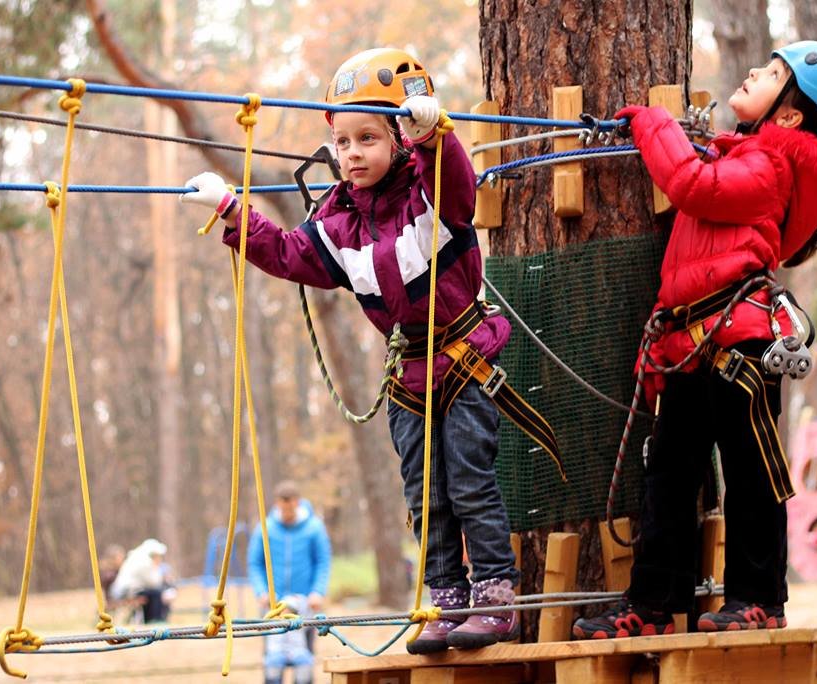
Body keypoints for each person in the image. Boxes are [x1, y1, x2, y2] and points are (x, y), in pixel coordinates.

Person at [181, 48, 549, 653]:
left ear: (400, 140)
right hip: (407, 375)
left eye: (368, 138)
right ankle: (446, 597)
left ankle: (495, 598)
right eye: (343, 141)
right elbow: (287, 252)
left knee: (469, 484)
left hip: (462, 358)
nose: (353, 153)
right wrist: (230, 209)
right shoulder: (336, 223)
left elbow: (456, 183)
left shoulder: (431, 198)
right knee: (424, 496)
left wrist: (436, 133)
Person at [572, 41, 817, 639]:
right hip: (690, 343)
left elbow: (688, 183)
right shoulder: (738, 158)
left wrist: (653, 123)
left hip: (743, 349)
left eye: (773, 73)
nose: (754, 69)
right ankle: (654, 602)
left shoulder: (769, 167)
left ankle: (760, 598)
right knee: (669, 479)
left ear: (787, 116)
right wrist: (657, 345)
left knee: (751, 473)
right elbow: (683, 269)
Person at [247, 481, 331, 684]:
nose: (287, 513)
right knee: (272, 660)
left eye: (290, 508)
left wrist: (317, 591)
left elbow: (323, 561)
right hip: (273, 606)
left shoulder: (314, 528)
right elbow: (255, 563)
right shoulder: (265, 528)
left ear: (297, 503)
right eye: (283, 508)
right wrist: (261, 592)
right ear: (277, 504)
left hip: (305, 604)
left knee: (304, 659)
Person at [108, 538, 176, 623]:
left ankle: (154, 619)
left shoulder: (138, 557)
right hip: (125, 592)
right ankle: (154, 620)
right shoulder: (144, 562)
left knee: (153, 593)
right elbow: (154, 582)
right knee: (156, 593)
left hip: (126, 590)